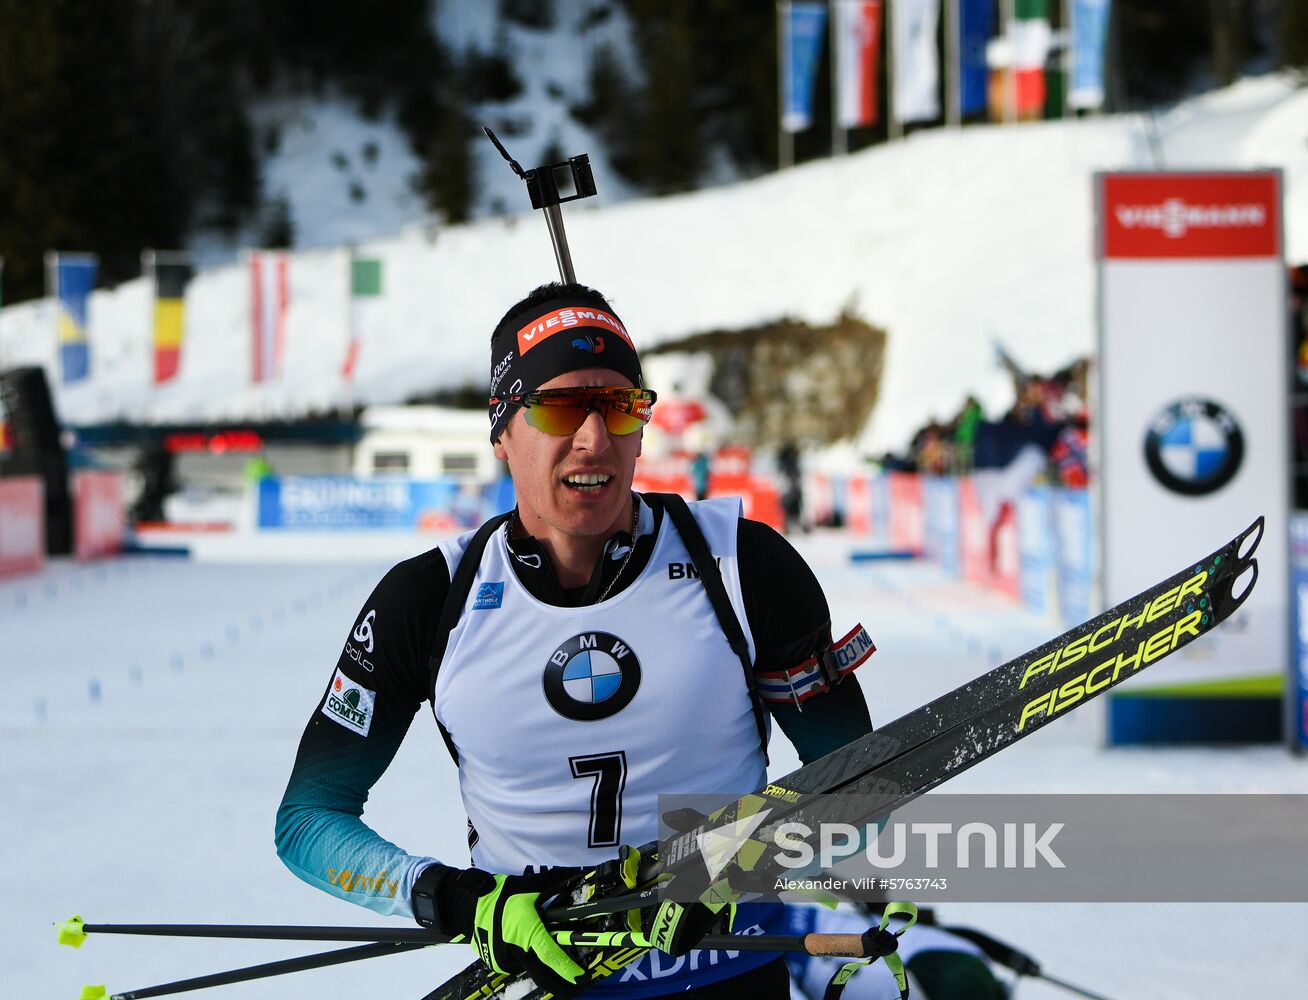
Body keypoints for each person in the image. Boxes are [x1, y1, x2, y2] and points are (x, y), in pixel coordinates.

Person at [275, 282, 877, 998]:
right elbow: (308, 821)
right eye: (560, 407)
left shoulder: (743, 566)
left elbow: (862, 793)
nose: (594, 439)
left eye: (620, 407)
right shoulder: (430, 599)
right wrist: (454, 899)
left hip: (727, 976)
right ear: (502, 430)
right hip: (539, 982)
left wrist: (717, 866)